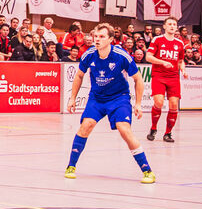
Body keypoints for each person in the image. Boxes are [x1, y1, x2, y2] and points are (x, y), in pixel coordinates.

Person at [64, 23, 154, 184]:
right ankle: (71, 166)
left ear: (111, 39)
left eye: (102, 37)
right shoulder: (88, 54)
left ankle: (147, 170)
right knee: (86, 126)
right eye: (95, 36)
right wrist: (72, 98)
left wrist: (138, 104)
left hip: (119, 98)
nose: (97, 40)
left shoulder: (122, 55)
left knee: (124, 129)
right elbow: (78, 76)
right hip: (97, 98)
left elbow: (138, 79)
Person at [146, 16, 187, 142]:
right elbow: (148, 57)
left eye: (174, 24)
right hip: (159, 75)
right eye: (169, 24)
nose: (172, 26)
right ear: (164, 26)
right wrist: (162, 62)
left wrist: (183, 70)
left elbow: (181, 61)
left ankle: (168, 133)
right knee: (159, 102)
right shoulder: (157, 40)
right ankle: (153, 128)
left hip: (173, 77)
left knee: (174, 105)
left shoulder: (180, 43)